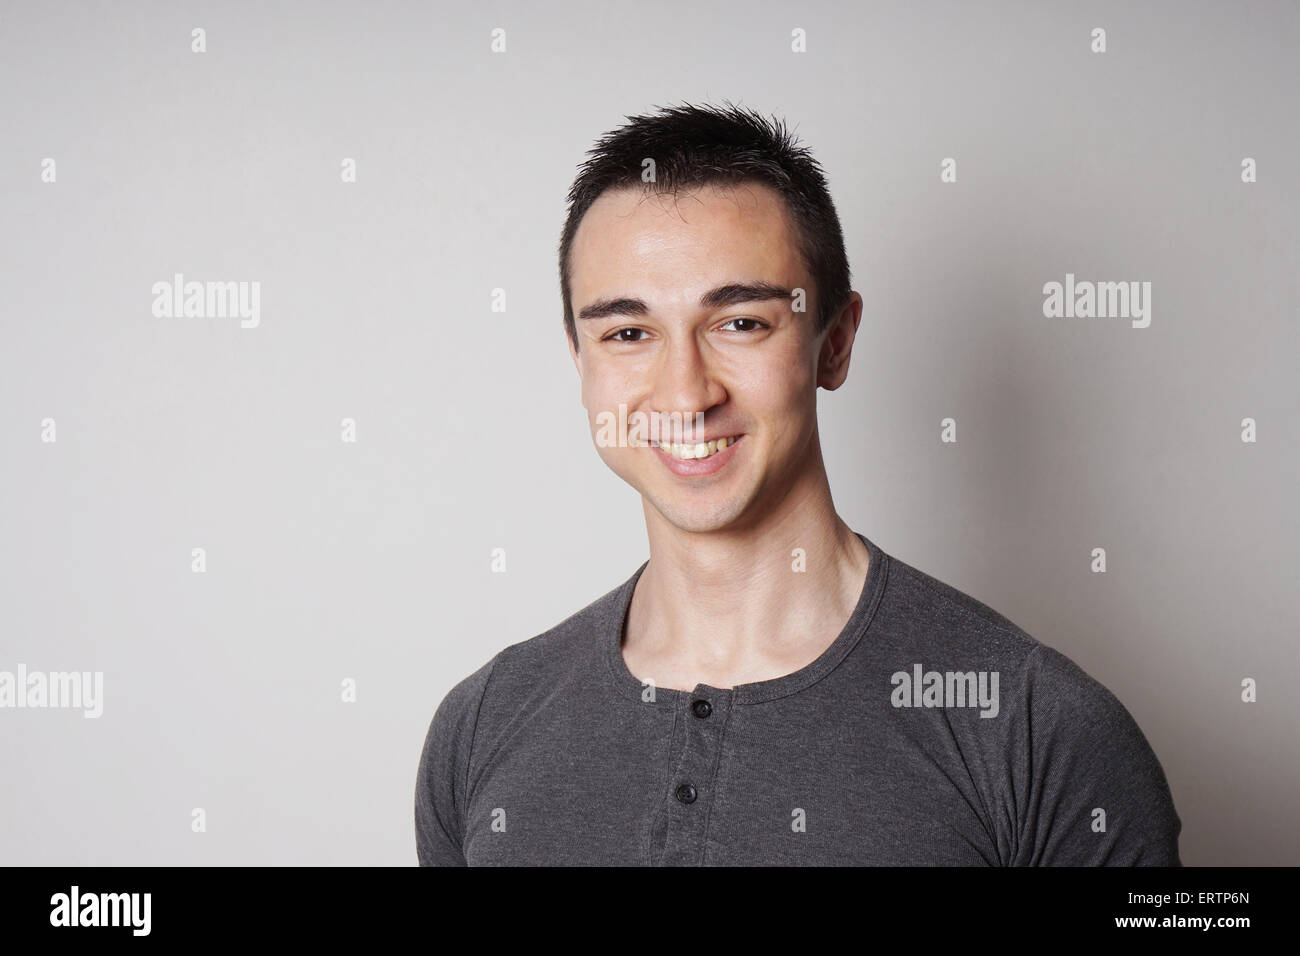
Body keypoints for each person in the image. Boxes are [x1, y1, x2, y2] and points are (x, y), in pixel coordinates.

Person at [415, 102, 1182, 866]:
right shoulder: (483, 725)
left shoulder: (1036, 727)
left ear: (835, 344)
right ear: (580, 361)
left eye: (741, 322)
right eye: (627, 333)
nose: (686, 394)